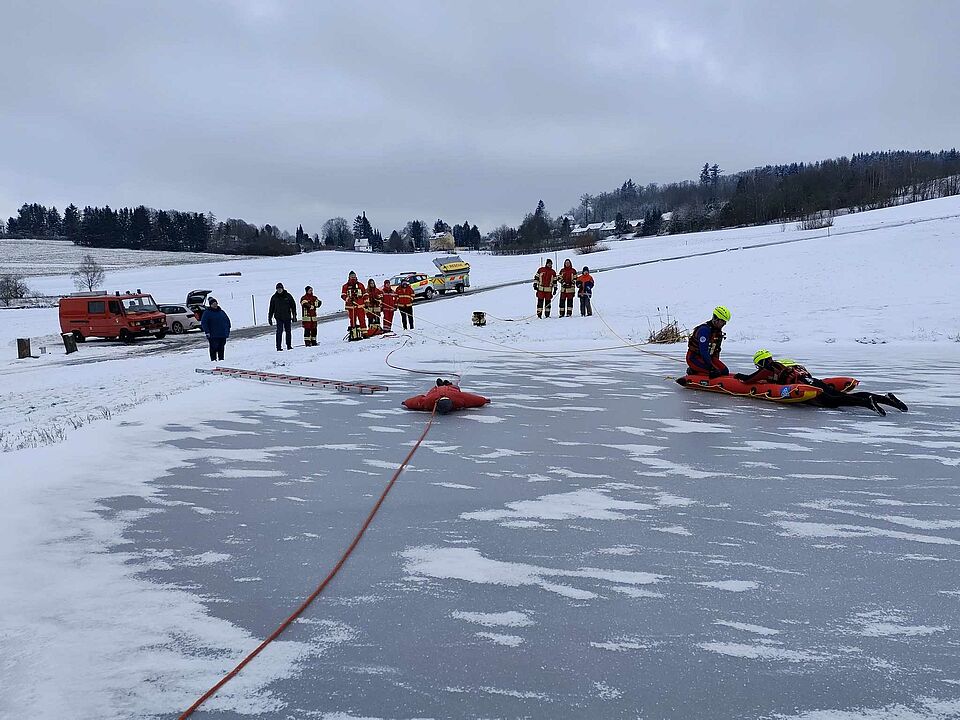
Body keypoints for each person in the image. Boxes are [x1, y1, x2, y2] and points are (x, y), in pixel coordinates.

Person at [737, 351, 908, 416]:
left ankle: (867, 404)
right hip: (814, 380)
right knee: (840, 395)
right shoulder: (783, 363)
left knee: (833, 401)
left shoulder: (768, 368)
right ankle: (886, 399)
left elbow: (749, 380)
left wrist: (738, 376)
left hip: (807, 385)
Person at [402, 378, 491, 414]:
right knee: (454, 388)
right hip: (443, 391)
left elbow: (416, 401)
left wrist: (406, 402)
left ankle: (443, 385)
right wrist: (484, 400)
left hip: (441, 391)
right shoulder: (430, 402)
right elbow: (472, 399)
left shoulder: (457, 398)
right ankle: (445, 385)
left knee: (452, 388)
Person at [686, 306, 731, 377]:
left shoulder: (717, 332)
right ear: (716, 319)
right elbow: (703, 351)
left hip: (708, 358)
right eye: (722, 321)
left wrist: (715, 363)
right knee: (717, 373)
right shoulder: (704, 330)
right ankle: (693, 371)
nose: (724, 324)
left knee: (725, 371)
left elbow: (716, 350)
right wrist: (711, 368)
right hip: (694, 358)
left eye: (725, 322)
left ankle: (701, 370)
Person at [268, 282, 298, 351]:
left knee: (288, 332)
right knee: (279, 332)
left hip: (287, 317)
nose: (279, 290)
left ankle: (289, 346)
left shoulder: (288, 296)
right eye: (278, 289)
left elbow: (293, 306)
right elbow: (271, 308)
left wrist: (294, 316)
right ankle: (278, 347)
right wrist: (269, 318)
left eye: (280, 289)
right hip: (279, 318)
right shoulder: (274, 297)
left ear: (283, 288)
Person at [199, 297, 231, 361]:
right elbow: (204, 323)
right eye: (213, 304)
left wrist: (227, 329)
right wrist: (207, 332)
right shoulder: (207, 313)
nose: (215, 305)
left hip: (222, 334)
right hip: (213, 335)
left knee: (221, 347)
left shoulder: (221, 312)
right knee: (213, 348)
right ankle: (213, 360)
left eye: (215, 303)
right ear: (210, 305)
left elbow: (227, 321)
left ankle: (221, 359)